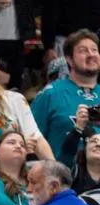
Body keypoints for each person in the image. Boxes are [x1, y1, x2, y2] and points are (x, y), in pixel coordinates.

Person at [32, 29, 100, 162]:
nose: (91, 54)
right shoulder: (50, 94)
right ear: (69, 59)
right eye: (83, 50)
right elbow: (32, 139)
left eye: (94, 50)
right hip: (62, 178)